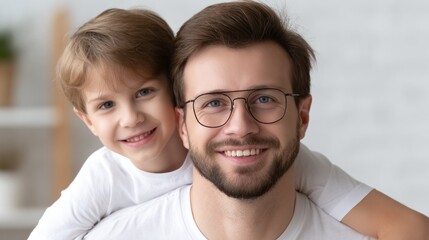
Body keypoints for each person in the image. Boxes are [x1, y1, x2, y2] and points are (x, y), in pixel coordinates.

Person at [32, 4, 428, 240]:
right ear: (183, 119)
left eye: (264, 99)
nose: (240, 126)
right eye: (214, 103)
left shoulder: (303, 167)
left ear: (302, 116)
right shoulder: (104, 183)